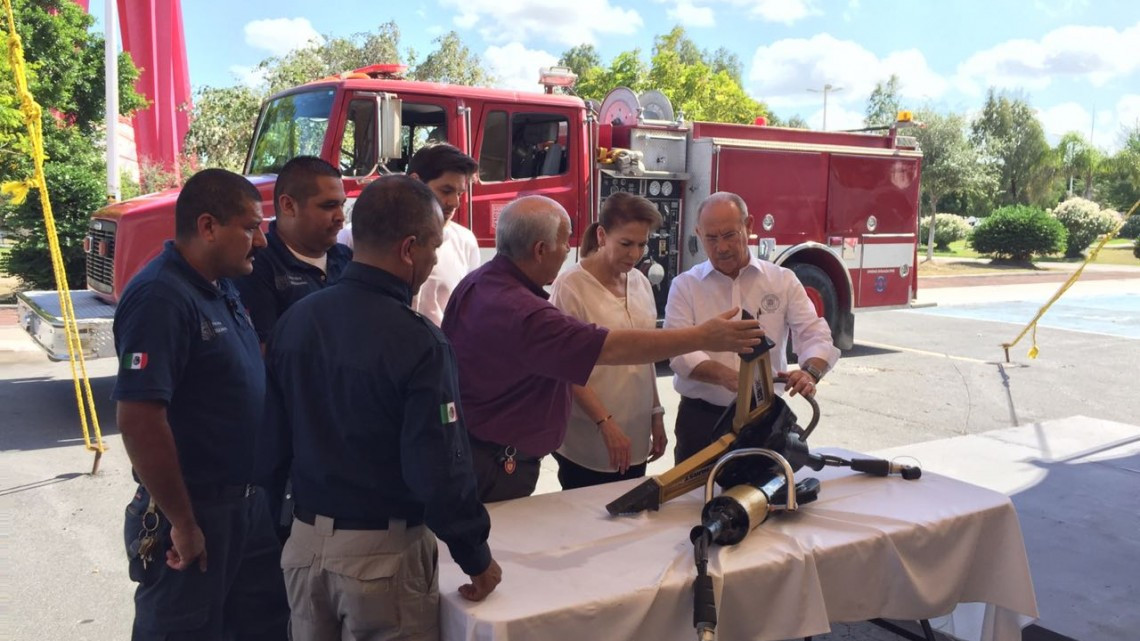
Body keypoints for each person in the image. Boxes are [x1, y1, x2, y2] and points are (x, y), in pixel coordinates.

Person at [266, 175, 501, 641]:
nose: (436, 258)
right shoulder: (420, 342)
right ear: (409, 248)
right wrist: (476, 556)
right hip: (382, 556)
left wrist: (286, 533)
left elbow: (272, 443)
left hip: (305, 545)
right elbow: (438, 468)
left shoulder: (297, 319)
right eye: (433, 247)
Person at [442, 195, 766, 502]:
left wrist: (655, 412)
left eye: (641, 244)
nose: (569, 249)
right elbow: (605, 348)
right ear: (541, 249)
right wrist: (702, 337)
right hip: (502, 460)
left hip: (492, 449)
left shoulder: (478, 283)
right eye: (564, 242)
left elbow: (640, 356)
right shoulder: (531, 308)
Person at [113, 168, 288, 640]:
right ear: (208, 226)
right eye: (250, 227)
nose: (262, 242)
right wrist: (183, 522)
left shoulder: (219, 284)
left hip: (246, 509)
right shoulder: (161, 297)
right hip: (194, 514)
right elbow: (139, 419)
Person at [665, 191, 841, 464]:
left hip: (764, 420)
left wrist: (809, 373)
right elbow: (679, 351)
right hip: (701, 421)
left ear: (749, 226)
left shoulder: (782, 281)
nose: (721, 247)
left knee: (766, 500)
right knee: (692, 504)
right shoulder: (685, 286)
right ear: (699, 234)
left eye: (729, 235)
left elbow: (814, 333)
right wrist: (727, 377)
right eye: (711, 238)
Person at [549, 192, 666, 489]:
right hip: (588, 436)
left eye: (642, 244)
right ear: (602, 235)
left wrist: (656, 413)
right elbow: (565, 367)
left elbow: (646, 355)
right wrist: (605, 423)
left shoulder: (640, 283)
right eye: (626, 244)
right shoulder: (571, 286)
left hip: (636, 432)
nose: (635, 254)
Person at [337, 144, 480, 326]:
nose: (455, 203)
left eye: (460, 193)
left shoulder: (465, 243)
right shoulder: (354, 237)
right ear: (415, 182)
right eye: (446, 191)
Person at [234, 155, 351, 346]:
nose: (340, 217)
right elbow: (265, 354)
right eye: (329, 206)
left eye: (341, 205)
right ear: (288, 205)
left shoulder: (347, 258)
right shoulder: (256, 267)